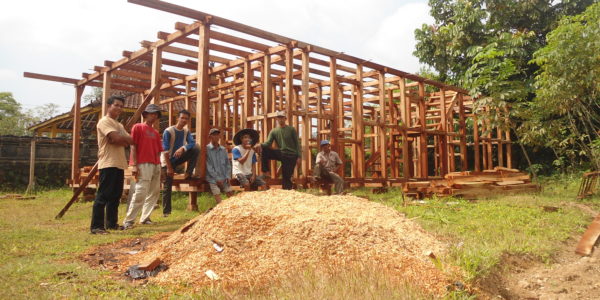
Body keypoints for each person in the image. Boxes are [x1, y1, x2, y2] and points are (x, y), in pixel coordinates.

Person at [90, 96, 133, 234]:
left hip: (119, 163)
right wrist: (119, 139)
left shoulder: (119, 125)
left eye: (121, 106)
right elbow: (116, 138)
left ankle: (111, 223)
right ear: (109, 106)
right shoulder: (104, 122)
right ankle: (96, 226)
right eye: (116, 105)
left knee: (115, 195)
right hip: (108, 163)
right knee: (103, 195)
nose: (119, 108)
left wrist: (121, 139)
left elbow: (129, 141)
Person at [122, 104, 163, 229]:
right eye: (151, 113)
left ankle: (145, 218)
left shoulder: (156, 133)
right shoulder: (138, 127)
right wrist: (134, 164)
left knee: (154, 192)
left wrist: (160, 167)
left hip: (155, 164)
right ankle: (129, 221)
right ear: (145, 115)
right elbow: (133, 145)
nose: (154, 116)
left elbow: (158, 151)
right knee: (140, 191)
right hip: (142, 163)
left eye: (156, 114)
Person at [161, 109, 200, 217]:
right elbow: (165, 151)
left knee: (196, 148)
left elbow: (192, 143)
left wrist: (183, 148)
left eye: (186, 119)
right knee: (167, 185)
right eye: (182, 118)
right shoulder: (168, 131)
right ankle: (166, 212)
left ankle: (188, 172)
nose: (184, 120)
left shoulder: (186, 131)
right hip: (166, 161)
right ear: (177, 118)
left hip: (177, 158)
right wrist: (169, 168)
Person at [254, 111, 300, 190]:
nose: (280, 120)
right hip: (281, 153)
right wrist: (260, 145)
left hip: (291, 155)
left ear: (285, 119)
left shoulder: (291, 129)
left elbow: (297, 143)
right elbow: (268, 143)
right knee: (265, 149)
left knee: (286, 177)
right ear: (277, 119)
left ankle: (287, 192)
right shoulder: (274, 131)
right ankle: (266, 172)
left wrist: (298, 156)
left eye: (282, 118)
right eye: (279, 118)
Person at [206, 128, 233, 204]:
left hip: (224, 177)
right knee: (217, 195)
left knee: (231, 194)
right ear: (210, 137)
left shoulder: (223, 149)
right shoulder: (206, 149)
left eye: (218, 135)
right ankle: (221, 210)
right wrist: (217, 178)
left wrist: (228, 176)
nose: (216, 137)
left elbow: (228, 164)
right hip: (212, 178)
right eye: (214, 135)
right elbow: (209, 166)